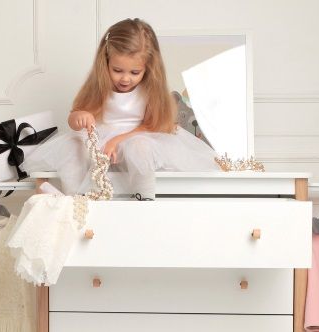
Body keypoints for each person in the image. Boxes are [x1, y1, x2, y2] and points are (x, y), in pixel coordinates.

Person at [23, 18, 220, 199]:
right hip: (101, 139)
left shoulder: (149, 90)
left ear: (148, 67)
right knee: (72, 145)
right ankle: (75, 199)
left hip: (140, 136)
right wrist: (79, 116)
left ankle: (144, 197)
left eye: (135, 72)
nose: (125, 78)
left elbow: (154, 125)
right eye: (117, 70)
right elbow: (74, 119)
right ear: (106, 62)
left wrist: (117, 140)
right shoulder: (99, 86)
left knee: (140, 147)